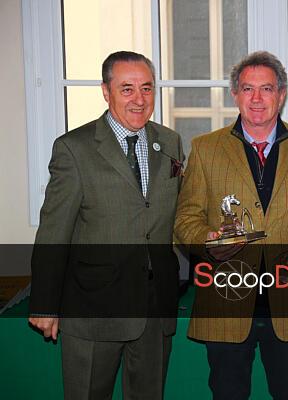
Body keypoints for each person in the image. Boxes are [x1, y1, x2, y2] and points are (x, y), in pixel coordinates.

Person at [175, 51, 288, 400]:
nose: (256, 98)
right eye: (247, 89)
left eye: (266, 89)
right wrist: (208, 240)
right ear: (234, 94)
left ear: (281, 94)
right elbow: (185, 218)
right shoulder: (204, 149)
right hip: (225, 301)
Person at [28, 51, 184, 399]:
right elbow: (54, 231)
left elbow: (175, 213)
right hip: (92, 308)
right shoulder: (74, 149)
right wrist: (44, 304)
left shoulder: (170, 142)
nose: (139, 99)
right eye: (127, 89)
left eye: (146, 88)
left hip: (155, 307)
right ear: (105, 91)